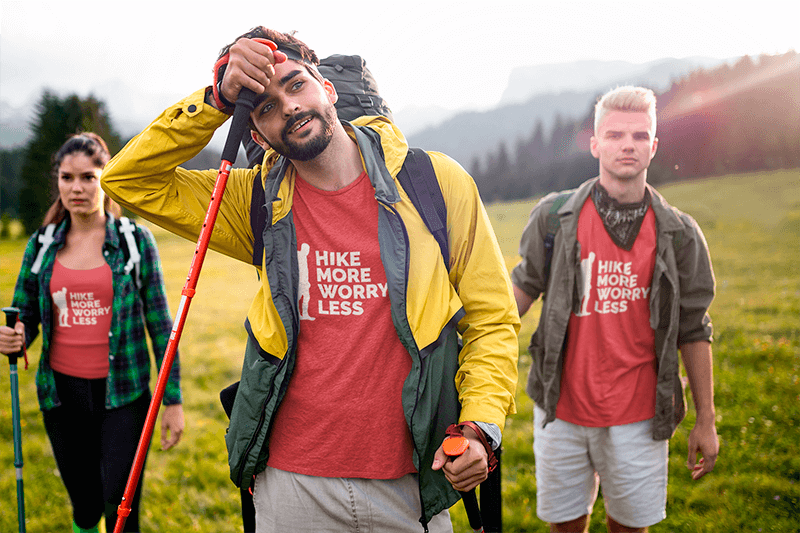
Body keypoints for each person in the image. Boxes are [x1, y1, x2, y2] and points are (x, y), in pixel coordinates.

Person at [101, 27, 519, 533]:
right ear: (256, 135)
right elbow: (127, 180)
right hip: (290, 482)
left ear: (329, 88)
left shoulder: (435, 182)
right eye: (265, 107)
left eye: (295, 85)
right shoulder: (251, 201)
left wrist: (478, 426)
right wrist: (215, 99)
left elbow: (492, 319)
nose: (290, 108)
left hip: (412, 480)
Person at [512, 86, 719, 533]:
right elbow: (522, 288)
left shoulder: (679, 233)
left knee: (629, 528)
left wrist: (706, 419)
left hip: (640, 417)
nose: (628, 144)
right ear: (595, 144)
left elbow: (693, 328)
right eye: (616, 134)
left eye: (640, 136)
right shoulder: (554, 217)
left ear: (654, 146)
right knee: (565, 526)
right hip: (560, 410)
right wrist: (465, 338)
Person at [0, 133, 184, 533]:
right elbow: (26, 312)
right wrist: (15, 335)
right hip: (61, 396)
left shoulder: (134, 241)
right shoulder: (43, 244)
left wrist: (172, 400)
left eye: (88, 177)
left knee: (122, 507)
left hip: (124, 395)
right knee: (85, 505)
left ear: (106, 179)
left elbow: (160, 324)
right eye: (67, 178)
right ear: (59, 182)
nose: (77, 188)